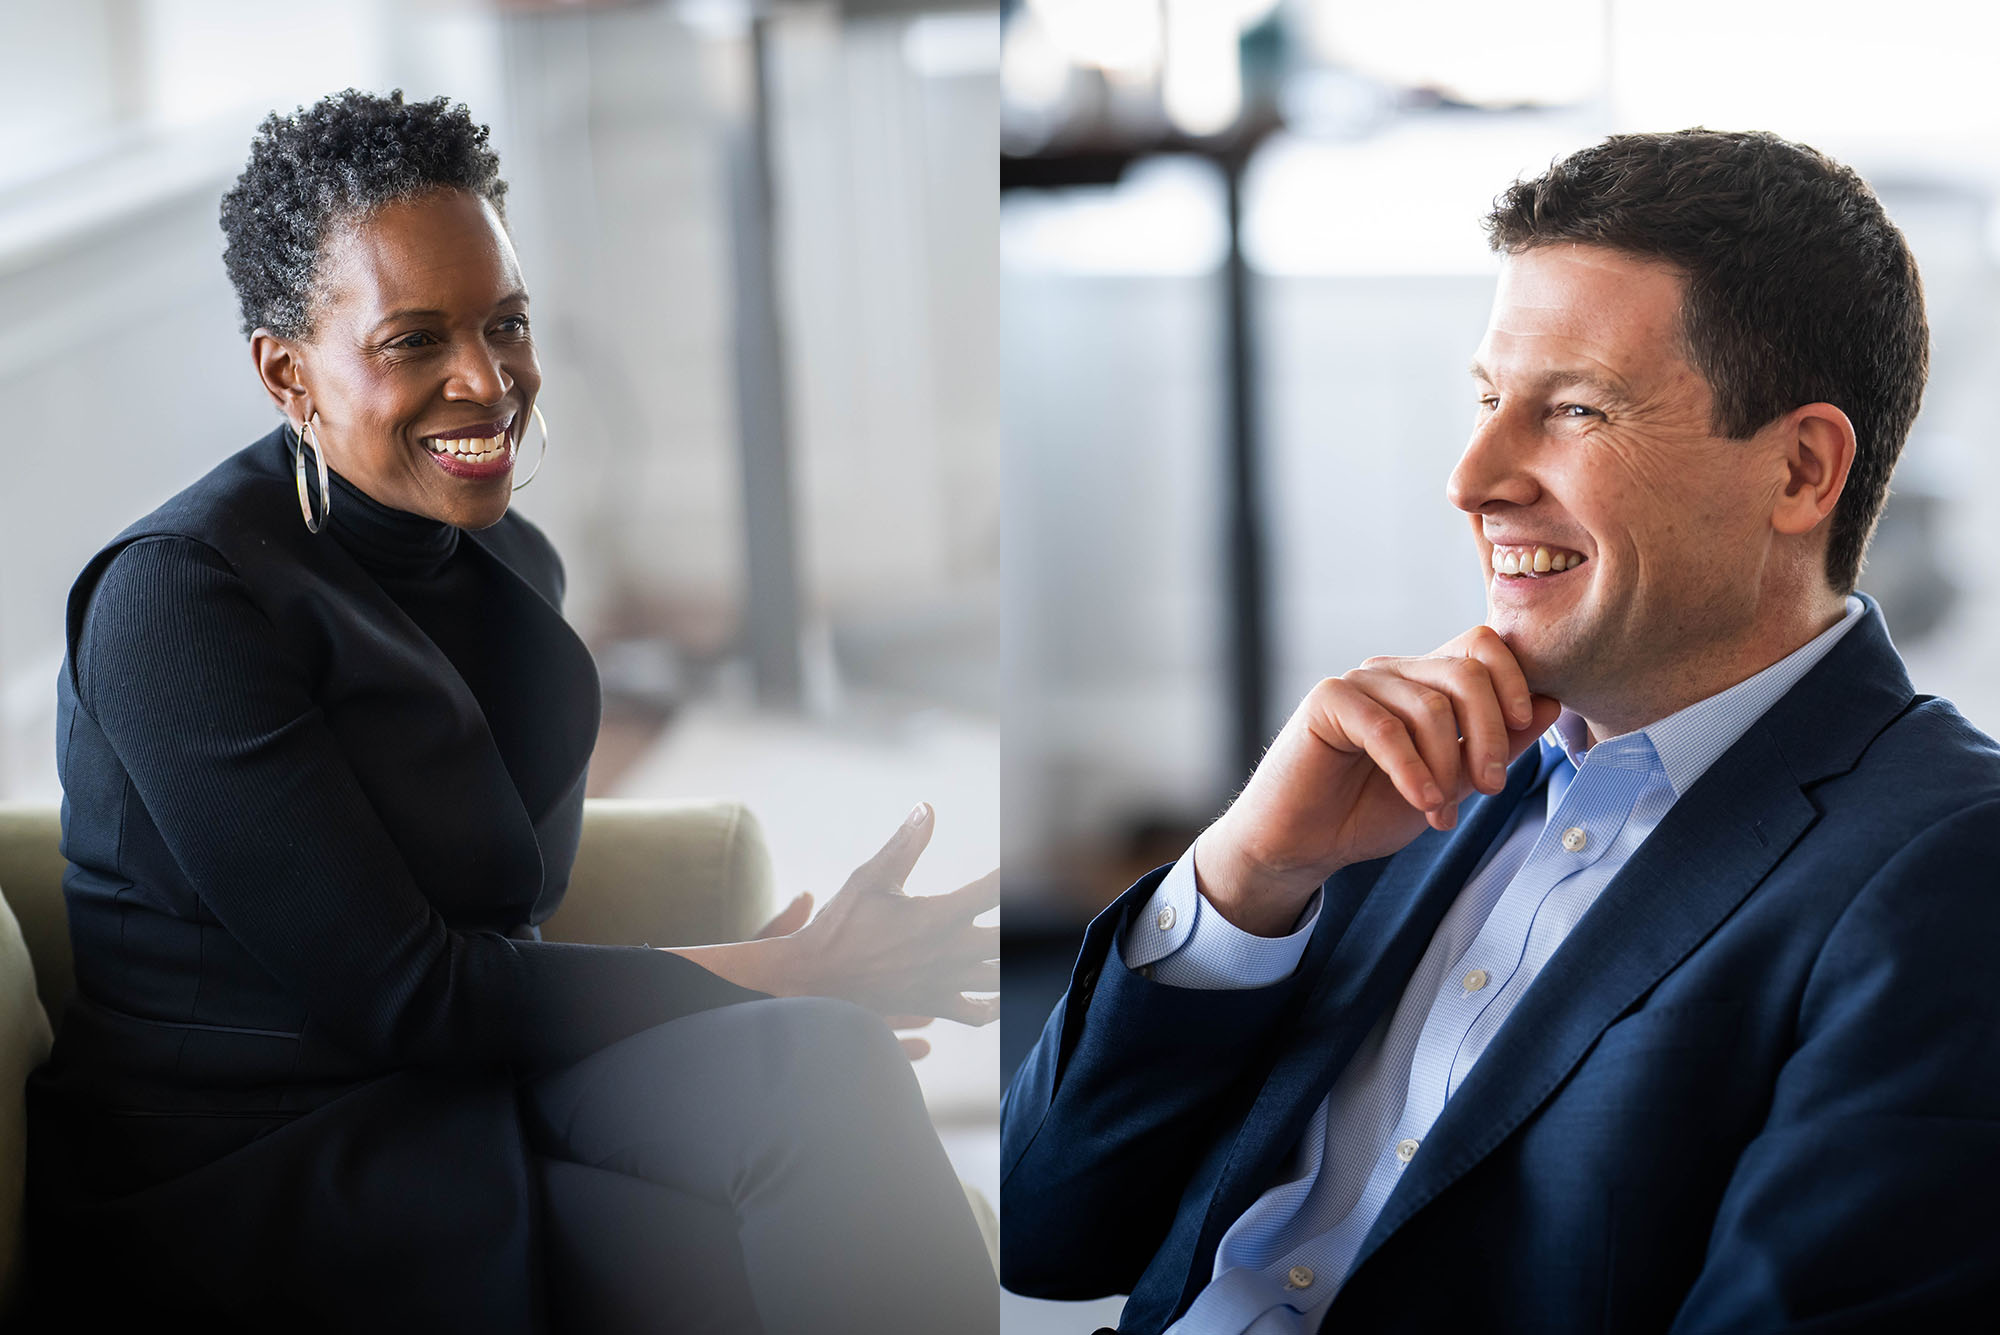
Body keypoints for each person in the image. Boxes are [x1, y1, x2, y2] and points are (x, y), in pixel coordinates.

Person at [26, 89, 998, 1334]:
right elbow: (405, 993)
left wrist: (761, 992)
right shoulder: (177, 600)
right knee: (738, 1220)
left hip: (468, 1084)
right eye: (412, 341)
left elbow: (504, 940)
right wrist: (779, 971)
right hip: (252, 1167)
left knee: (824, 1066)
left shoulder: (506, 560)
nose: (486, 382)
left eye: (506, 324)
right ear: (285, 372)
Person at [1001, 129, 2000, 1332]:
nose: (1471, 478)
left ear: (1797, 470)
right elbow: (1044, 1228)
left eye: (1573, 410)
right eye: (1486, 400)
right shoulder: (1391, 782)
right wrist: (1247, 877)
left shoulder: (1948, 871)